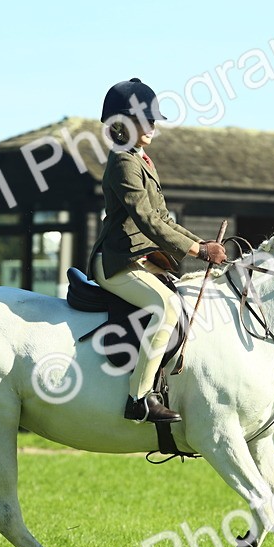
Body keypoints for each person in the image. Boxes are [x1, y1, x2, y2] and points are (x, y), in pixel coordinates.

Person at [89, 77, 226, 423]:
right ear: (124, 124)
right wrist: (196, 248)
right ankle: (138, 399)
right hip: (117, 263)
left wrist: (202, 244)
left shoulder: (142, 161)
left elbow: (164, 217)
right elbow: (147, 219)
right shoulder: (123, 163)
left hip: (142, 261)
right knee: (165, 308)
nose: (153, 125)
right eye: (146, 119)